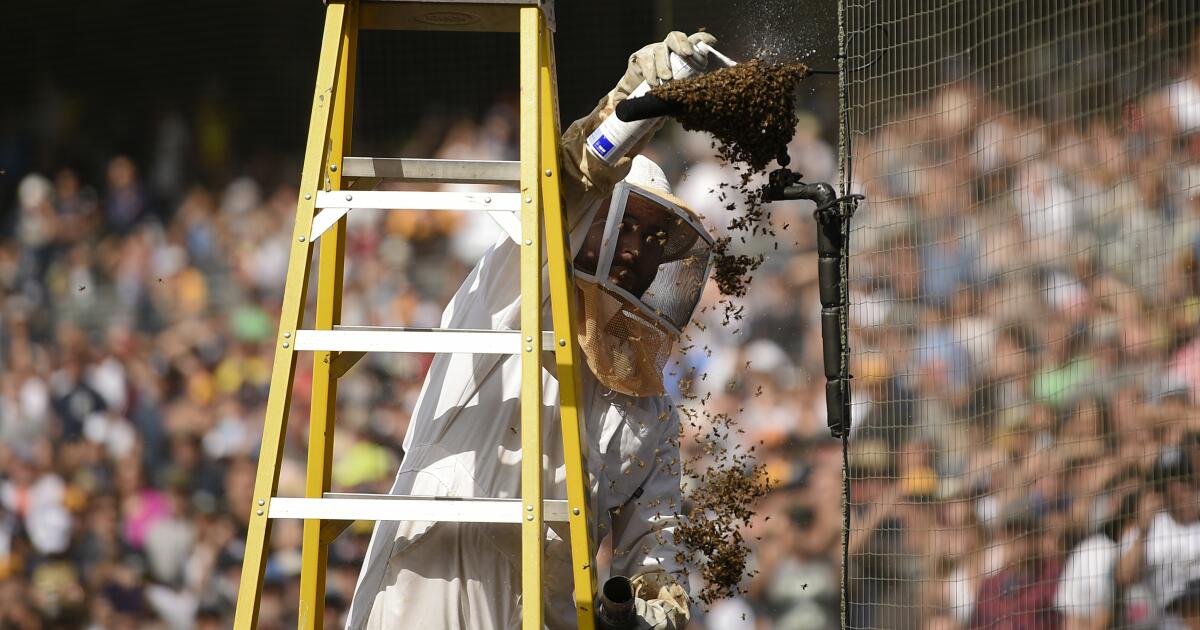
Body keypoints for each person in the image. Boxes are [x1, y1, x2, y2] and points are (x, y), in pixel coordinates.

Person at [345, 31, 719, 630]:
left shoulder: (648, 411)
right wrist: (640, 99)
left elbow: (657, 543)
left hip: (545, 605)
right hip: (437, 570)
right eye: (627, 226)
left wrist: (653, 599)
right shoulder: (516, 284)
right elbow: (575, 173)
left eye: (654, 242)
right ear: (591, 221)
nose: (635, 252)